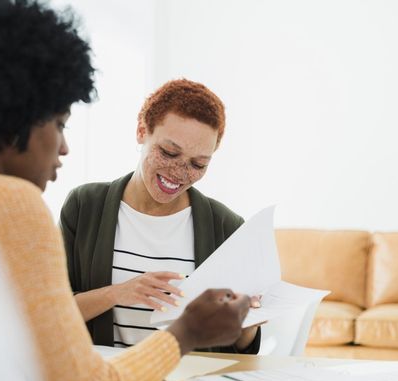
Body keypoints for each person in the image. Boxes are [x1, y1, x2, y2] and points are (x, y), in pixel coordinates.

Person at [0, 0, 258, 381]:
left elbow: (14, 345)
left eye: (198, 162)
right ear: (12, 122)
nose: (64, 148)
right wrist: (188, 331)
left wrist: (135, 373)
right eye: (59, 124)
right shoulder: (14, 202)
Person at [61, 79, 263, 358]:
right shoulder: (84, 207)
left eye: (198, 164)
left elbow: (242, 348)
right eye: (169, 152)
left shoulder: (227, 227)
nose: (179, 173)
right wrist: (118, 294)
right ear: (142, 131)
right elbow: (51, 314)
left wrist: (248, 320)